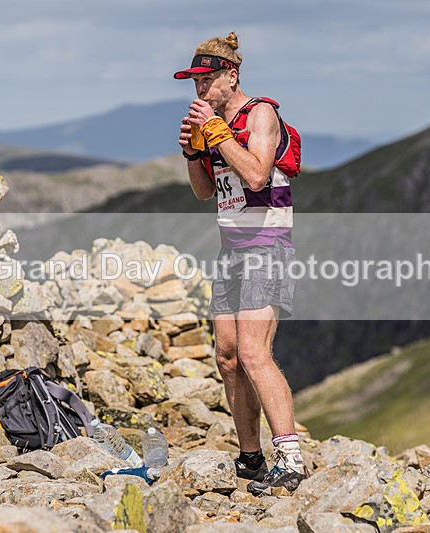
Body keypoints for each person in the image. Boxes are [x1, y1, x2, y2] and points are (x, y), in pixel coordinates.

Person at [174, 32, 308, 495]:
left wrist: (217, 134)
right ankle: (250, 457)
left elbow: (254, 173)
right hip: (230, 249)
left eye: (207, 78)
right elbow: (204, 192)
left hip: (266, 246)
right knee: (228, 357)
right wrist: (194, 153)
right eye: (193, 80)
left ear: (231, 76)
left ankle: (289, 456)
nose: (199, 88)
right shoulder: (215, 121)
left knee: (254, 353)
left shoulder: (261, 114)